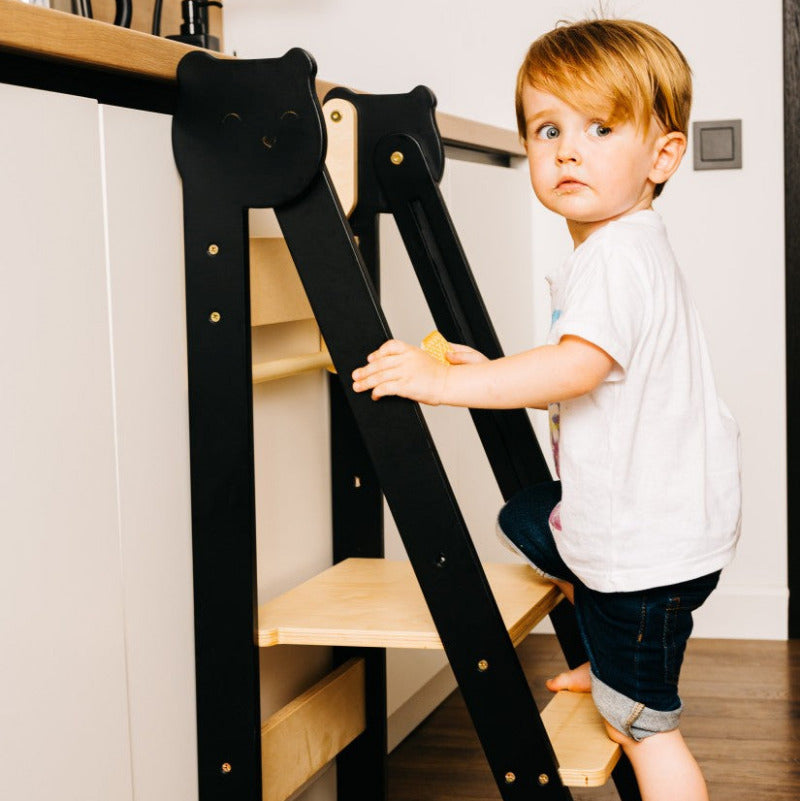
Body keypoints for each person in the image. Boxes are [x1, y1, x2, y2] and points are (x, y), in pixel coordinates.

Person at [352, 17, 741, 801]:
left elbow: (577, 365)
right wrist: (494, 369)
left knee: (642, 728)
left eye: (600, 128)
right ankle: (605, 650)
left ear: (662, 155)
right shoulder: (625, 244)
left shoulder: (614, 258)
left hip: (647, 553)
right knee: (531, 518)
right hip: (659, 524)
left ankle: (623, 681)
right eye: (547, 127)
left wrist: (444, 383)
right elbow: (585, 369)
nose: (567, 148)